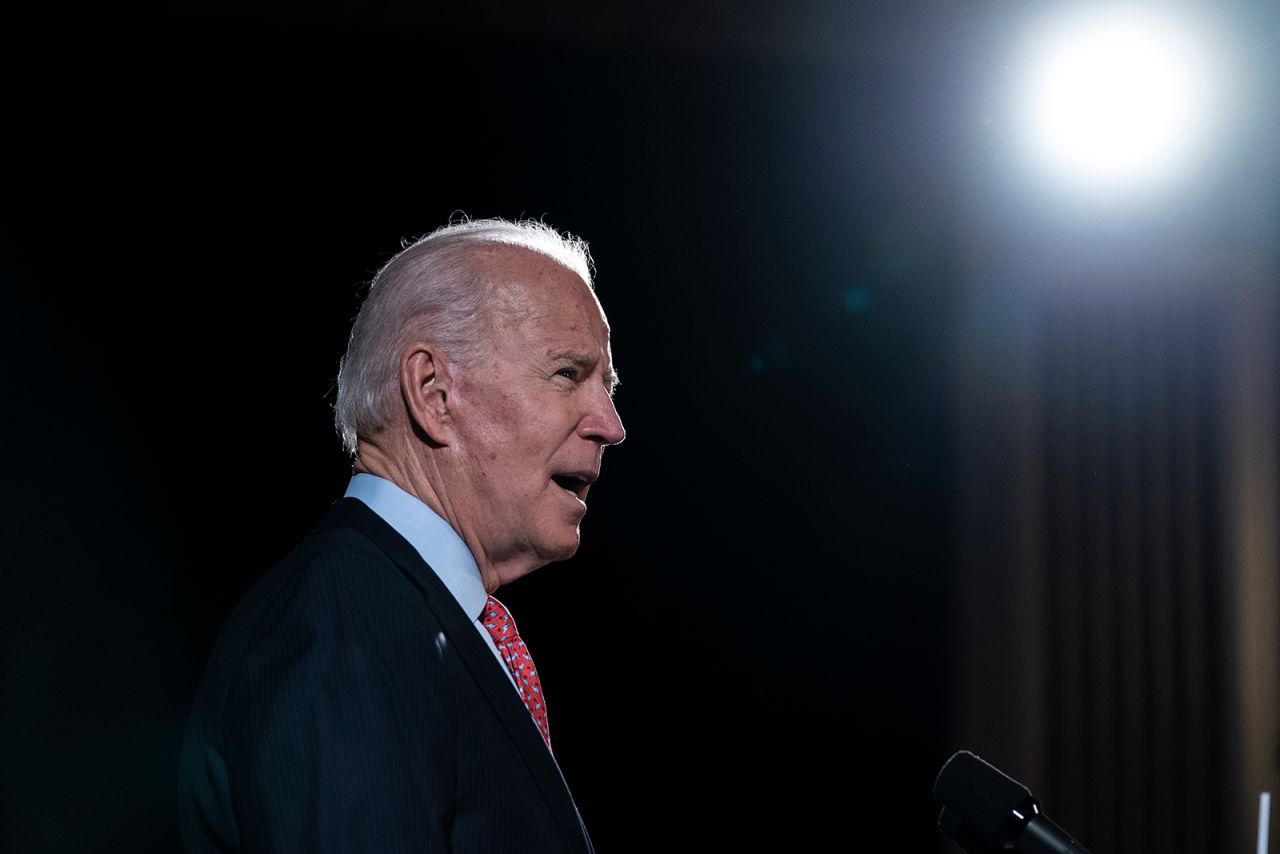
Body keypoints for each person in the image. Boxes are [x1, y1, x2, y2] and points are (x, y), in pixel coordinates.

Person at [178, 217, 625, 853]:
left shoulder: (398, 613)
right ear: (432, 392)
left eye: (605, 386)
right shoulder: (345, 617)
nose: (611, 425)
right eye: (567, 374)